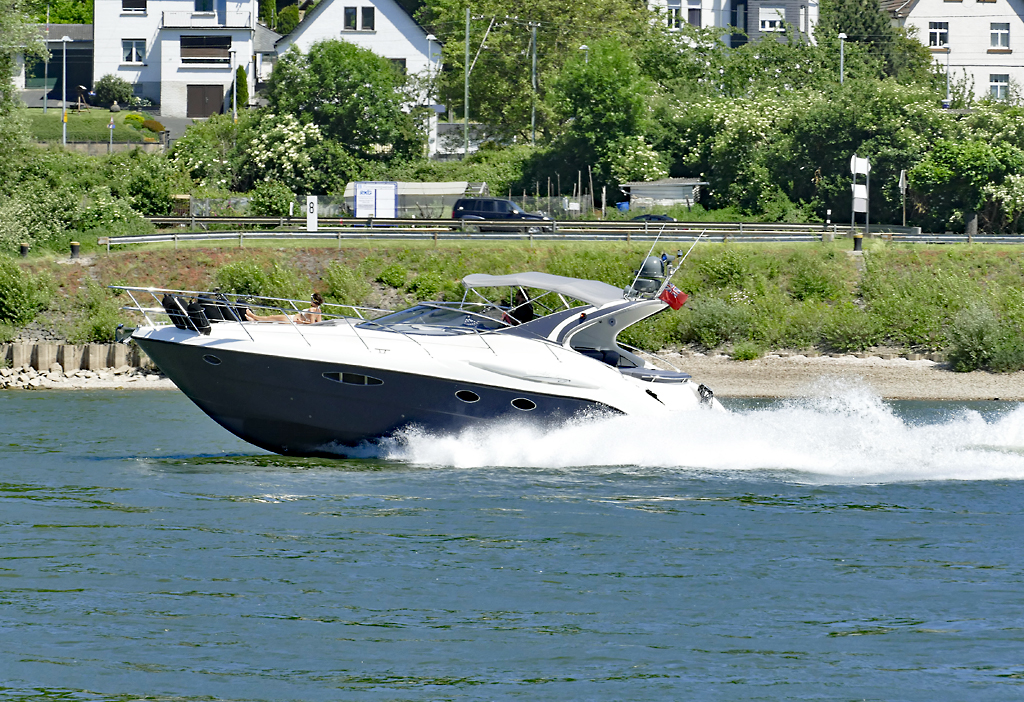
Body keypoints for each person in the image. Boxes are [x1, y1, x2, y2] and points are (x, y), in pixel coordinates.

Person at [246, 293, 323, 324]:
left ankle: (254, 317)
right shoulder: (319, 311)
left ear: (313, 301)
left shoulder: (311, 310)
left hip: (292, 319)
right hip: (293, 319)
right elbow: (319, 323)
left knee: (272, 317)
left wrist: (302, 322)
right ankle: (255, 320)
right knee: (273, 319)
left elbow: (313, 324)